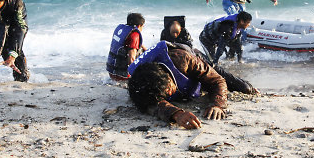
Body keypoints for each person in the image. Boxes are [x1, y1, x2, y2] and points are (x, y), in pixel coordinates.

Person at [127, 41, 257, 129]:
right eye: (165, 95)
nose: (170, 94)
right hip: (156, 72)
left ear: (168, 77)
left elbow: (217, 81)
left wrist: (218, 104)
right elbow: (149, 104)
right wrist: (176, 114)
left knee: (243, 87)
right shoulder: (139, 83)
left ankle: (252, 88)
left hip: (196, 58)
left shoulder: (183, 60)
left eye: (169, 89)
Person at [106, 13, 147, 80]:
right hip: (123, 76)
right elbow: (131, 59)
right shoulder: (135, 35)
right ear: (139, 25)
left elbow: (132, 42)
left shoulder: (123, 30)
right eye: (143, 26)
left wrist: (147, 50)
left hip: (111, 72)